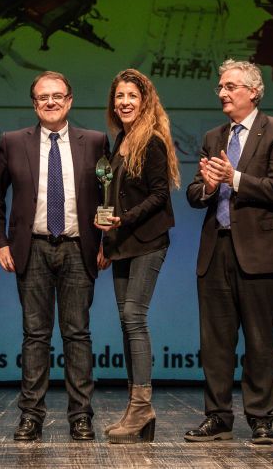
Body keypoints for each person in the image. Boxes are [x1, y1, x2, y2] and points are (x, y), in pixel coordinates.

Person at [0, 71, 109, 441]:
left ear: (69, 101)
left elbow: (110, 195)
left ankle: (81, 417)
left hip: (79, 247)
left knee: (77, 334)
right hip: (32, 248)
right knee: (35, 336)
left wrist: (108, 242)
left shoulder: (96, 141)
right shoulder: (12, 142)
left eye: (57, 96)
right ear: (34, 104)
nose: (50, 102)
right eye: (43, 97)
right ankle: (31, 417)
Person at [184, 59, 273, 444]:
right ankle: (217, 416)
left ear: (253, 91)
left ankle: (261, 418)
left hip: (260, 251)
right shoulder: (213, 136)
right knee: (215, 341)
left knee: (259, 339)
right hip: (216, 248)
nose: (222, 93)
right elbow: (195, 193)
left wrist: (233, 177)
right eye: (220, 87)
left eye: (230, 86)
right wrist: (209, 185)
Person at [94, 69, 179, 444]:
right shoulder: (121, 140)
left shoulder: (152, 141)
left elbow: (160, 195)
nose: (124, 102)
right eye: (119, 96)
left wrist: (123, 221)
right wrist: (106, 240)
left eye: (132, 95)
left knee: (133, 316)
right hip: (122, 242)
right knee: (126, 322)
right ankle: (136, 411)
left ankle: (142, 407)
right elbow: (113, 196)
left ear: (145, 101)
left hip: (147, 240)